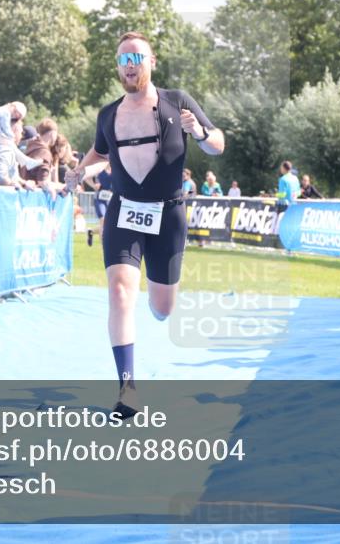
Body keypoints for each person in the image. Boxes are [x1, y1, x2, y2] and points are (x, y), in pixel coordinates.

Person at [65, 31, 224, 418]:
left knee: (162, 307)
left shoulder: (178, 102)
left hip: (167, 214)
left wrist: (199, 133)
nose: (130, 64)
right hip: (124, 211)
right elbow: (100, 152)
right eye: (123, 59)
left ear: (151, 61)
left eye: (136, 57)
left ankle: (160, 303)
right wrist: (77, 172)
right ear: (118, 68)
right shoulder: (108, 114)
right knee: (120, 292)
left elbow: (217, 142)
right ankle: (127, 388)